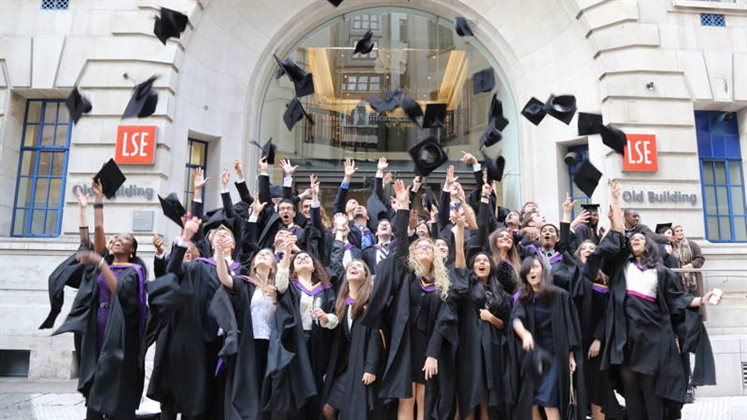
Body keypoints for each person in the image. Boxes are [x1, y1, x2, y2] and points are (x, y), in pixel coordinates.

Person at [599, 181, 721, 420]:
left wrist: (701, 300)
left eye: (640, 238)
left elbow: (677, 299)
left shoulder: (661, 272)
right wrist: (615, 200)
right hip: (626, 339)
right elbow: (617, 237)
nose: (635, 239)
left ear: (649, 245)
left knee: (651, 391)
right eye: (633, 239)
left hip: (652, 338)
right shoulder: (621, 268)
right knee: (631, 391)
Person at [54, 179, 149, 420]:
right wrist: (94, 201)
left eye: (124, 240)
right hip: (96, 326)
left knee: (115, 378)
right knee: (95, 377)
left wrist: (101, 263)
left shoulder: (134, 271)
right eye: (116, 238)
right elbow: (96, 232)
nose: (117, 240)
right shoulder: (103, 260)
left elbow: (119, 291)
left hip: (118, 332)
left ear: (132, 250)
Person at [365, 179, 455, 420]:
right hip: (404, 342)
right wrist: (404, 207)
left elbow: (443, 322)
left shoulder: (442, 284)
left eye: (429, 247)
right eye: (420, 247)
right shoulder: (407, 276)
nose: (424, 248)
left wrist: (433, 353)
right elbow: (402, 246)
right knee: (406, 397)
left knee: (424, 397)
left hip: (427, 344)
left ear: (435, 255)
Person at [509, 254, 584, 420]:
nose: (532, 272)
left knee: (549, 401)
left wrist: (571, 354)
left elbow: (570, 325)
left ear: (543, 270)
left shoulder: (560, 295)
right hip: (535, 353)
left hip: (557, 351)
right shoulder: (524, 298)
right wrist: (525, 334)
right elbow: (516, 319)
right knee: (532, 402)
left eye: (535, 267)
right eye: (528, 270)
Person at [321, 258, 384, 420]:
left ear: (365, 275)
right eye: (351, 266)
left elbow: (376, 336)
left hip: (362, 365)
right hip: (344, 366)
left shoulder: (370, 301)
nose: (353, 267)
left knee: (355, 413)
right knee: (328, 409)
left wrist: (371, 368)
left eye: (359, 266)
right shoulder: (342, 303)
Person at [671, 225, 706, 296]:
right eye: (677, 231)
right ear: (673, 234)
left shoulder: (692, 245)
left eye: (681, 230)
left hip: (693, 278)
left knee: (696, 298)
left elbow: (700, 258)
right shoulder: (670, 247)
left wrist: (691, 265)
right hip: (678, 278)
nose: (680, 232)